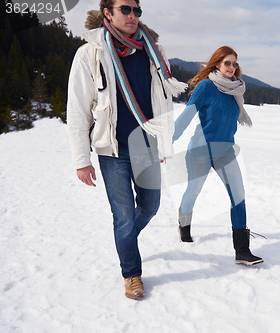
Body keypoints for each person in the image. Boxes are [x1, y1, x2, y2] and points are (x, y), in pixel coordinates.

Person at [66, 0, 186, 300]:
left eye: (137, 11)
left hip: (146, 145)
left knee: (150, 207)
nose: (133, 16)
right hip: (112, 150)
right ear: (108, 12)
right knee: (122, 215)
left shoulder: (152, 53)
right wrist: (82, 160)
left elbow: (162, 102)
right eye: (126, 10)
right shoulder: (90, 54)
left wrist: (164, 141)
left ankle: (127, 238)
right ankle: (132, 274)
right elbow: (78, 109)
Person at [173, 46, 263, 266]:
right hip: (200, 151)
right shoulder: (206, 86)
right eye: (227, 63)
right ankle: (183, 224)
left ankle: (242, 251)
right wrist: (165, 142)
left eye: (234, 63)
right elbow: (185, 117)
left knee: (238, 196)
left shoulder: (235, 90)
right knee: (193, 191)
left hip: (226, 152)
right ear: (216, 64)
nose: (232, 67)